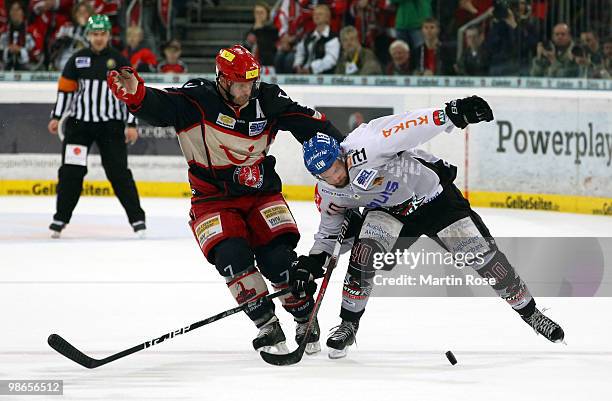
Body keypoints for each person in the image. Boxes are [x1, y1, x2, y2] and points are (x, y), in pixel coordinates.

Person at [107, 44, 345, 354]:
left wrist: (350, 152)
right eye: (240, 84)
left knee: (278, 260)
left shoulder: (268, 99)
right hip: (212, 199)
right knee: (233, 259)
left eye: (251, 82)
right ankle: (267, 326)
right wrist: (137, 95)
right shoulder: (197, 99)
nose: (247, 90)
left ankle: (304, 317)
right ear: (222, 79)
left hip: (261, 194)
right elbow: (162, 106)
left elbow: (312, 124)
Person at [293, 96, 565, 359]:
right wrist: (314, 261)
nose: (335, 178)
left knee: (483, 258)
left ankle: (531, 313)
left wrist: (451, 114)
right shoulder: (329, 192)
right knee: (364, 255)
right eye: (325, 175)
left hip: (435, 200)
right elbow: (329, 234)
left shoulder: (367, 145)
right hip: (390, 213)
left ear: (340, 153)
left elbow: (411, 126)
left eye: (336, 168)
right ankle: (348, 324)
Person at [47, 15, 145, 238]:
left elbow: (133, 93)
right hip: (79, 126)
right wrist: (57, 116)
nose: (99, 38)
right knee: (71, 171)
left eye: (102, 34)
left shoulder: (120, 61)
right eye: (95, 34)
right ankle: (61, 217)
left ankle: (137, 219)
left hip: (110, 126)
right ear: (88, 35)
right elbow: (66, 91)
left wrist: (131, 123)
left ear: (109, 35)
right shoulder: (77, 59)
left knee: (118, 172)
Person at [293, 4, 340, 74]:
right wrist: (298, 65)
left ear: (327, 17)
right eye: (314, 14)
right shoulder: (308, 35)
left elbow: (331, 60)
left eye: (320, 14)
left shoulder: (333, 37)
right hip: (303, 72)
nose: (316, 16)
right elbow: (300, 52)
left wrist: (311, 68)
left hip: (321, 75)